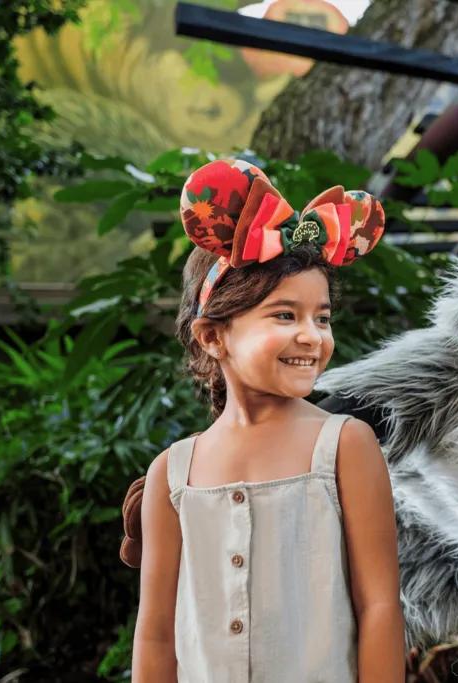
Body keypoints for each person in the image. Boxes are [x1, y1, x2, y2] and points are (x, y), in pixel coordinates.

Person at [130, 158, 404, 682]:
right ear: (214, 336)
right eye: (285, 315)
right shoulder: (172, 472)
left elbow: (380, 606)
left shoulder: (344, 446)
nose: (312, 336)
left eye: (322, 317)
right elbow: (156, 633)